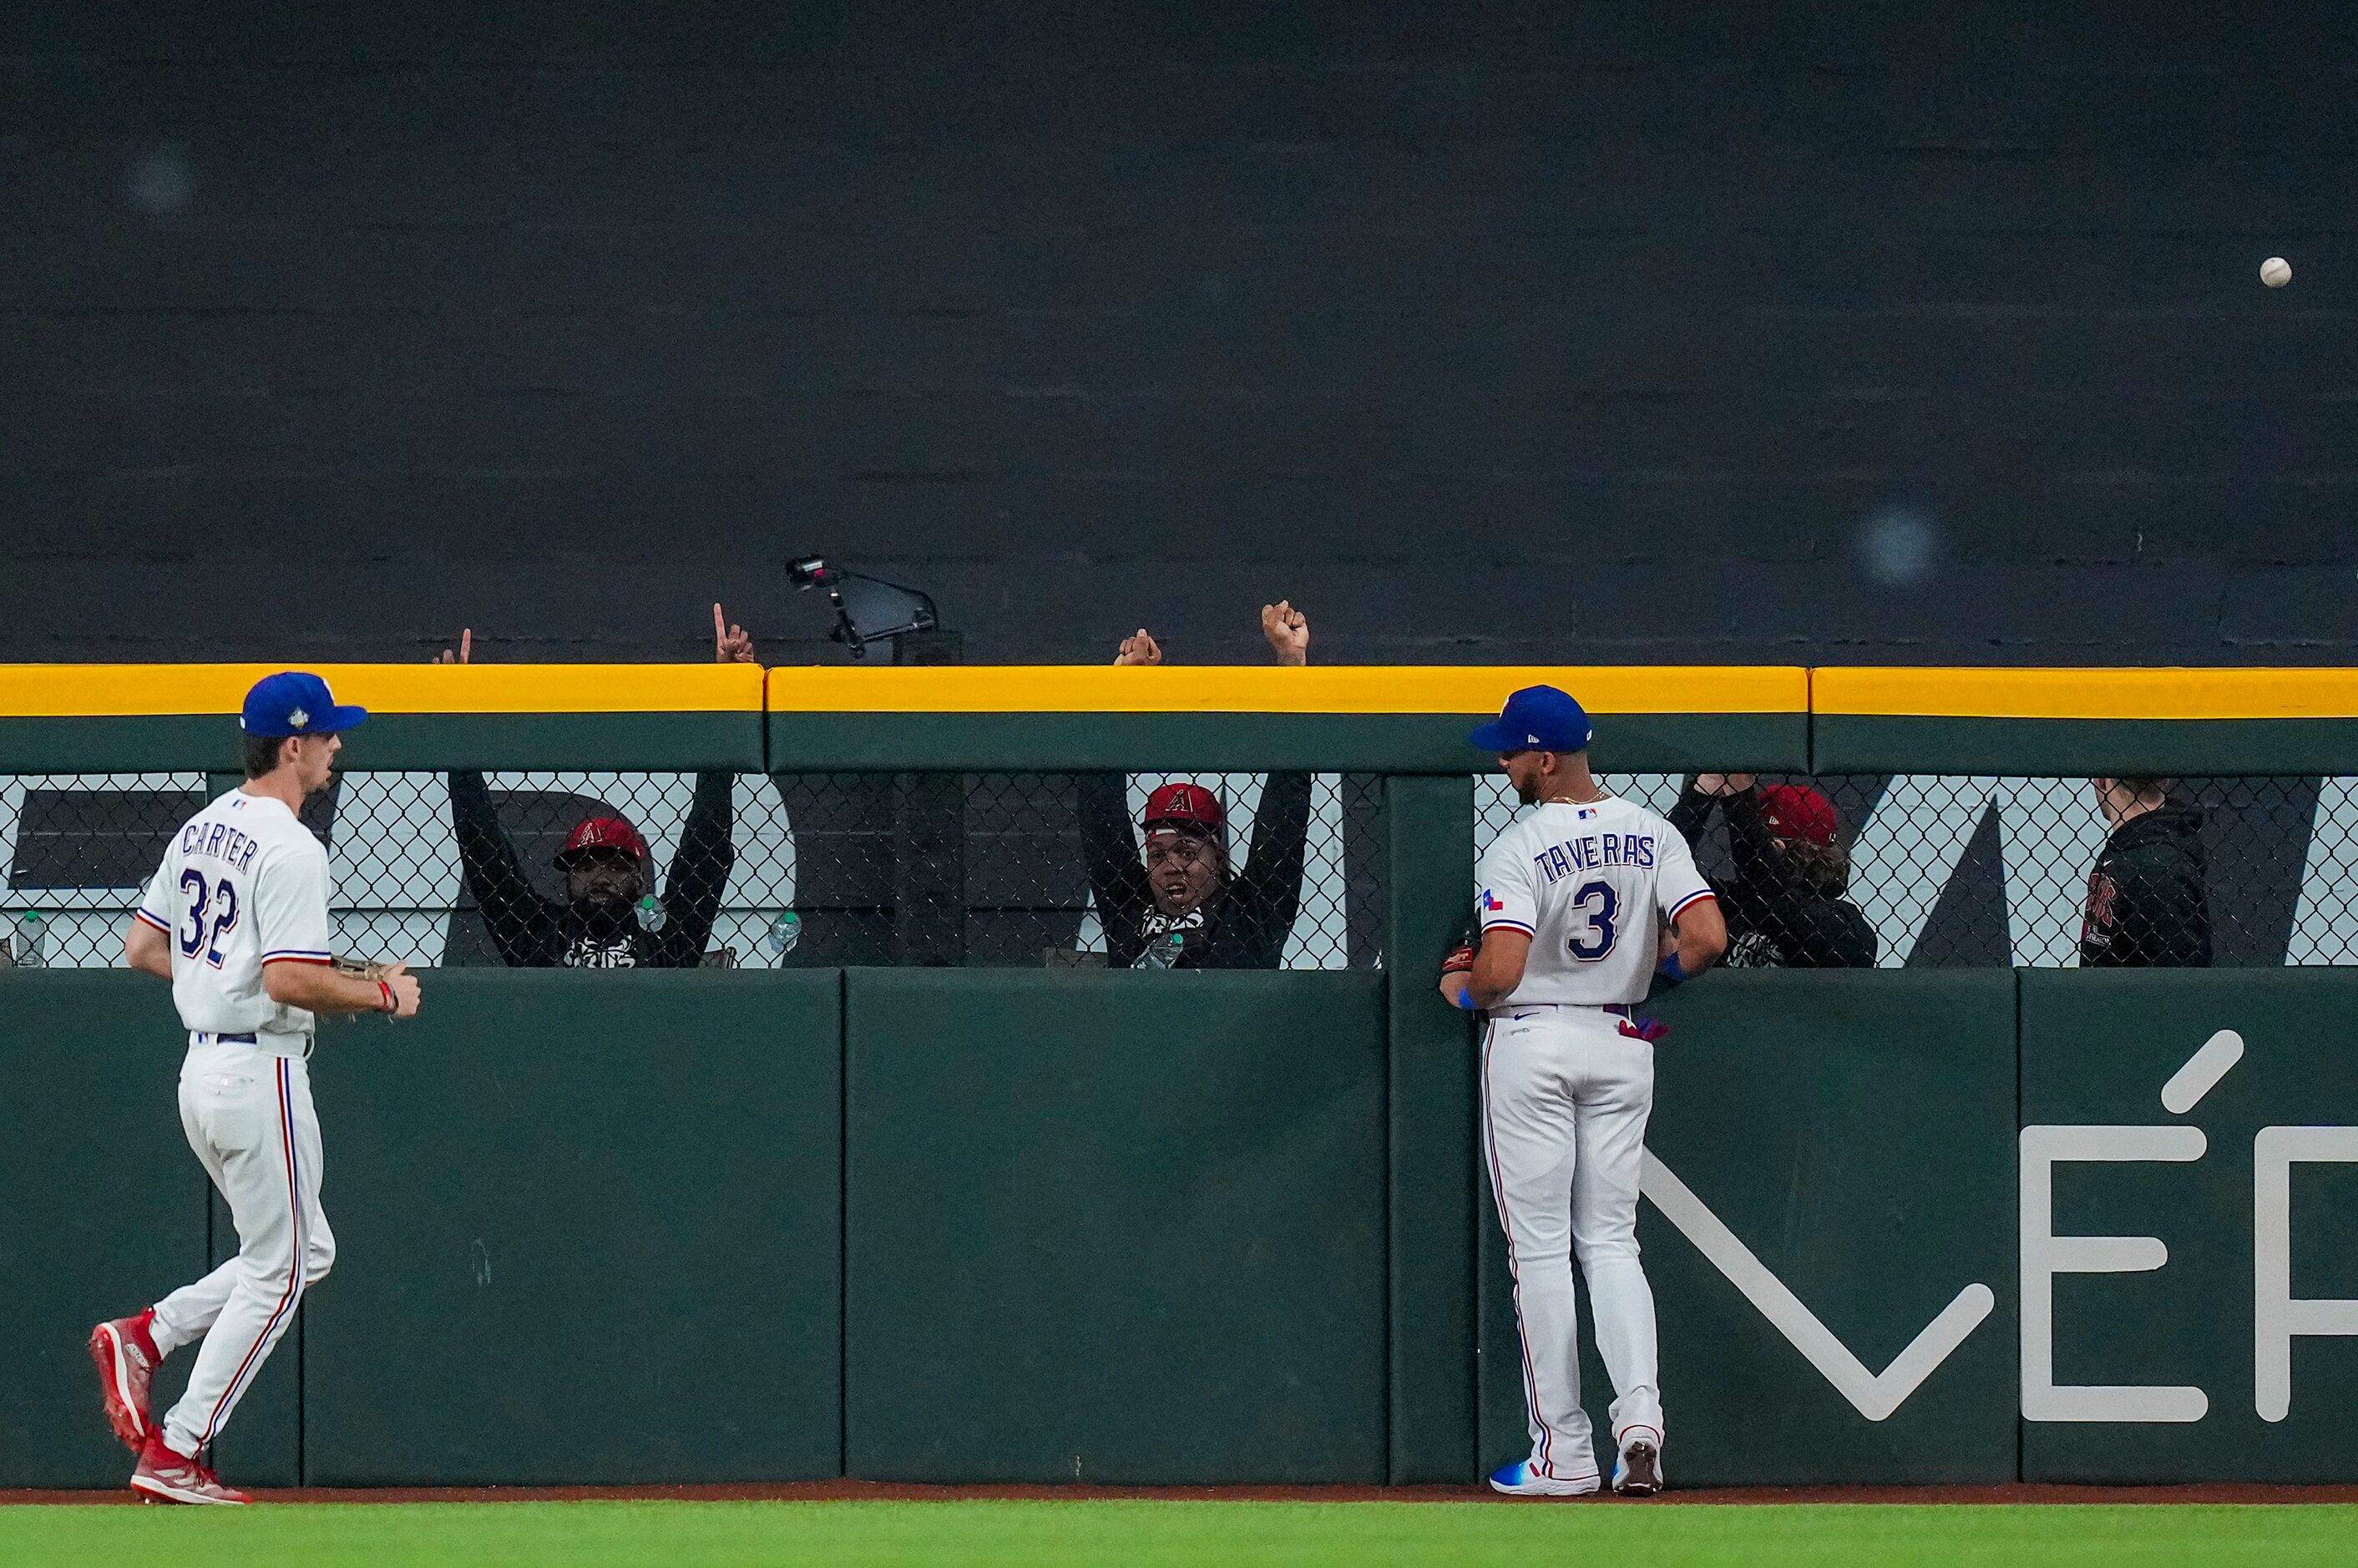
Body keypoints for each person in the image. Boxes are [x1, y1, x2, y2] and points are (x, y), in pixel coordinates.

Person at [89, 672, 423, 1506]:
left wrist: (236, 983)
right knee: (279, 1270)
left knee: (302, 1253)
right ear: (293, 744)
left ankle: (147, 1336)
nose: (338, 747)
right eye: (329, 735)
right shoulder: (290, 844)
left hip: (203, 1069)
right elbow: (289, 981)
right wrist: (380, 992)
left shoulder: (202, 827)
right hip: (258, 1070)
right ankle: (179, 1445)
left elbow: (141, 947)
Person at [1440, 685, 1726, 1499]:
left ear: (1545, 758)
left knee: (1539, 1253)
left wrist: (1460, 992)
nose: (1501, 762)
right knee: (1610, 1243)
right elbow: (1705, 937)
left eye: (1511, 751)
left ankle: (1562, 1450)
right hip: (1622, 1036)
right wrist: (1648, 976)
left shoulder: (1517, 844)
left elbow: (1497, 970)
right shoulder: (1653, 832)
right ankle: (1640, 1426)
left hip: (1533, 1038)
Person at [436, 607, 748, 968]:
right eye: (584, 868)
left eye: (614, 867)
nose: (599, 878)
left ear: (639, 879)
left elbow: (705, 849)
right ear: (566, 881)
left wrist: (728, 695)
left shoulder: (665, 936)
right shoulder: (539, 933)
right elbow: (486, 859)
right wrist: (455, 714)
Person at [1076, 603, 1313, 969]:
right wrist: (1120, 690)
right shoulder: (1129, 909)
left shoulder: (1251, 915)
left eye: (1187, 851)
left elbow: (1287, 805)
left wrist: (1291, 661)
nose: (1171, 866)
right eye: (1157, 855)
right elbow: (1099, 811)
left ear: (1218, 858)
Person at [1664, 774, 1875, 968]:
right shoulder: (1735, 903)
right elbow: (1662, 877)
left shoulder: (1845, 927)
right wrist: (1703, 791)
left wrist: (1739, 797)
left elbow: (1778, 904)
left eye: (1766, 846)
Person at [2081, 776, 2211, 967]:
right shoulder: (2123, 852)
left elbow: (2179, 987)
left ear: (2100, 781)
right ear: (2166, 780)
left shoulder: (2158, 870)